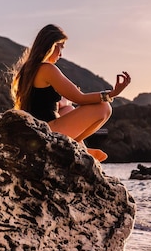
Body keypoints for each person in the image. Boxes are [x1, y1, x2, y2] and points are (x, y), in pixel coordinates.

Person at [11, 24, 131, 162]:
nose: (61, 54)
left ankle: (81, 148)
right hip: (46, 133)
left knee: (68, 108)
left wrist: (63, 103)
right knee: (104, 107)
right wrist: (112, 93)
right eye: (60, 47)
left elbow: (41, 104)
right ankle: (78, 148)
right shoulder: (47, 69)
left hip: (36, 130)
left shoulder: (29, 69)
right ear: (52, 45)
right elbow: (80, 98)